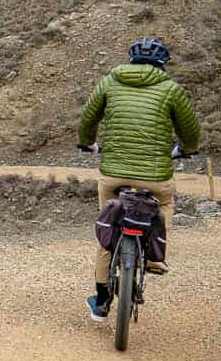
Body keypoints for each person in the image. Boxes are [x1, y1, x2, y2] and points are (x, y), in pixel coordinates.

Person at [77, 37, 201, 321]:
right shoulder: (171, 90)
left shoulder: (109, 82)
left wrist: (88, 143)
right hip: (155, 176)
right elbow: (190, 130)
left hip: (114, 173)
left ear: (131, 60)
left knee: (107, 229)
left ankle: (102, 300)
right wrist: (186, 150)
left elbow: (87, 119)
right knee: (165, 202)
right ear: (162, 64)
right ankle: (155, 255)